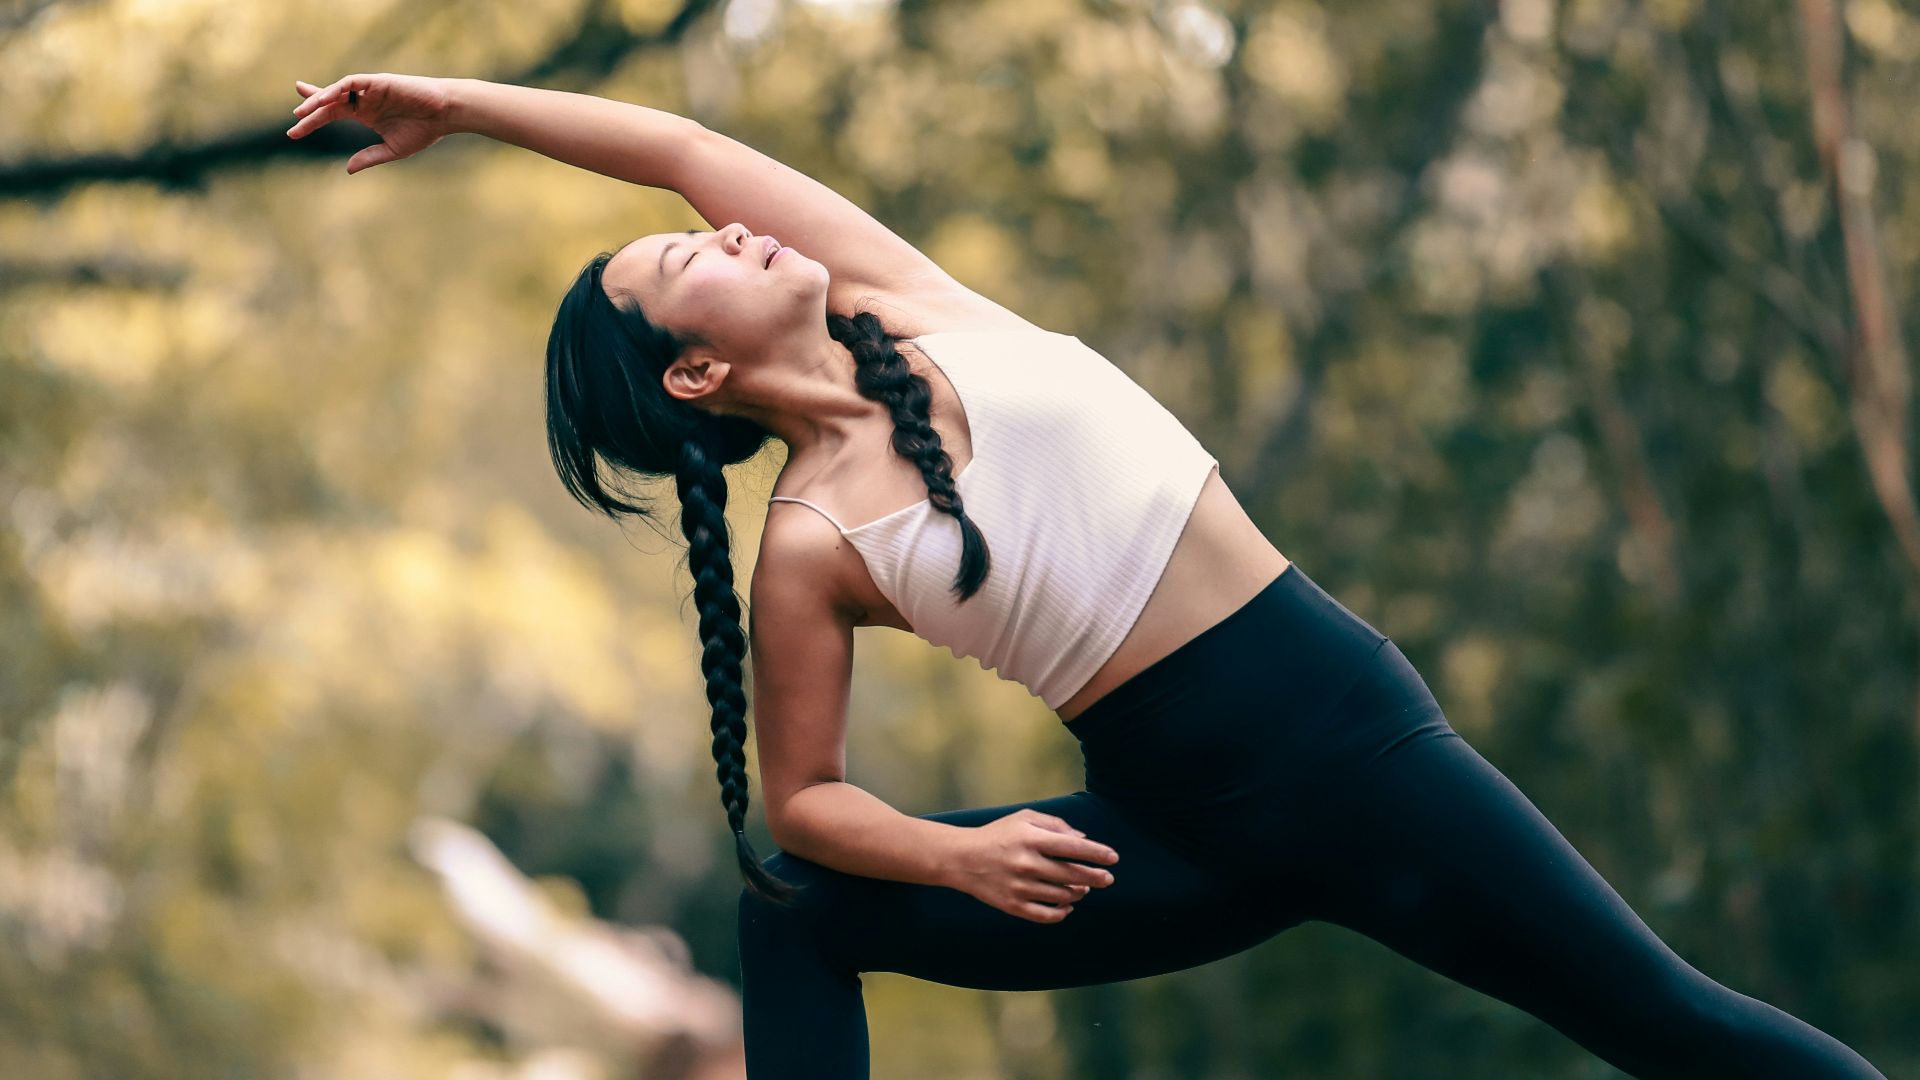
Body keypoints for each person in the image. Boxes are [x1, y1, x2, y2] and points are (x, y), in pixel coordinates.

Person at [287, 73, 1890, 1080]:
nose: (723, 230)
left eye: (698, 234)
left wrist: (463, 103)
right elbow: (806, 807)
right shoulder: (811, 546)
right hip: (1165, 830)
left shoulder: (906, 303)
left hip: (1347, 746)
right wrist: (950, 860)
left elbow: (678, 144)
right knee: (790, 920)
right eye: (688, 264)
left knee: (1667, 1027)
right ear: (696, 378)